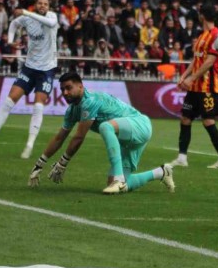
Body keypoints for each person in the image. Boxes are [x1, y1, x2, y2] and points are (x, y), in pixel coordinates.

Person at [27, 72, 175, 195]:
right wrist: (40, 164)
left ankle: (119, 179)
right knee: (116, 187)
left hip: (139, 125)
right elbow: (59, 138)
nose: (65, 93)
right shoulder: (72, 111)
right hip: (126, 140)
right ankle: (161, 172)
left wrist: (62, 162)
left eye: (68, 88)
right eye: (62, 90)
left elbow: (79, 137)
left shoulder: (90, 101)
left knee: (105, 126)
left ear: (80, 86)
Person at [0, 0, 58, 159]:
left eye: (45, 4)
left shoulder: (51, 17)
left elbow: (50, 24)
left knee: (38, 105)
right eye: (40, 3)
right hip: (29, 67)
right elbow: (13, 24)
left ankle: (29, 145)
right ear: (36, 5)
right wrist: (11, 41)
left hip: (46, 69)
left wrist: (26, 12)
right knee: (9, 100)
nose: (43, 5)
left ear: (48, 7)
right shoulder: (27, 19)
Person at [168, 4, 218, 169]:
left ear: (202, 16)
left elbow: (210, 61)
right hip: (195, 87)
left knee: (208, 121)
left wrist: (191, 78)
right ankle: (182, 158)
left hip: (207, 87)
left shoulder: (216, 35)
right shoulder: (202, 35)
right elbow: (197, 59)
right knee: (185, 119)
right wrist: (184, 76)